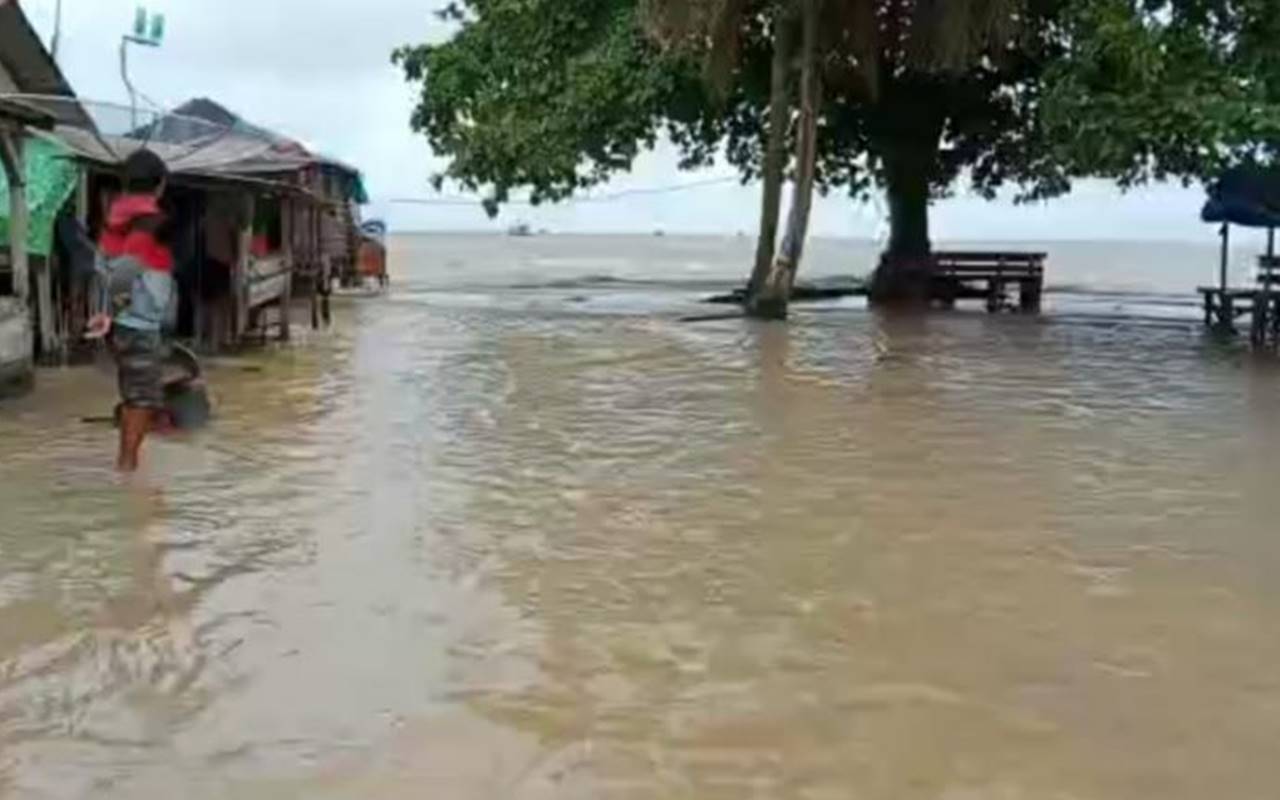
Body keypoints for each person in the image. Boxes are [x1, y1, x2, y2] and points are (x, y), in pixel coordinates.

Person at [86, 149, 178, 472]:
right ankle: (127, 466)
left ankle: (126, 462)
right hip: (138, 322)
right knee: (142, 398)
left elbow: (103, 266)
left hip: (122, 322)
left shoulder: (115, 218)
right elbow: (126, 269)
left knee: (133, 394)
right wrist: (114, 307)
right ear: (159, 185)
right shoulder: (149, 221)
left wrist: (104, 311)